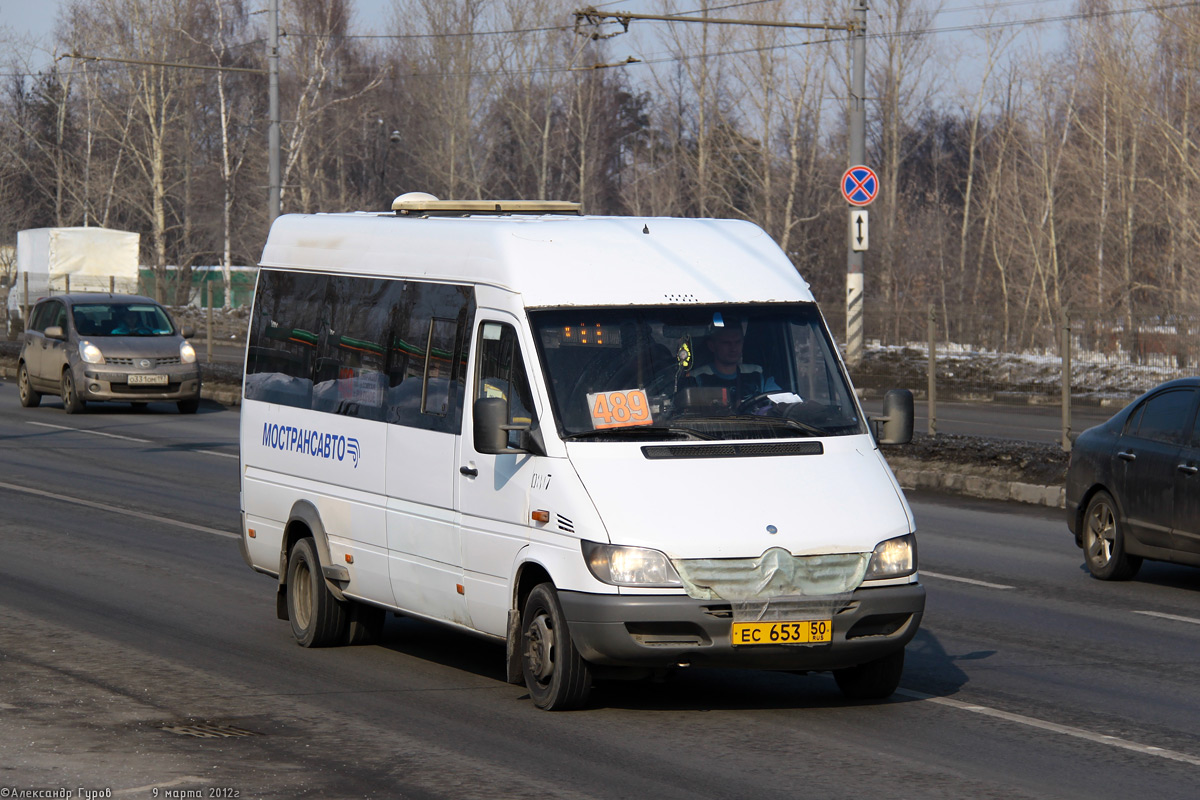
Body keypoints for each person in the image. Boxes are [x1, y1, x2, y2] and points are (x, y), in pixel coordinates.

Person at [689, 325, 780, 407]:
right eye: (726, 343)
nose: (733, 348)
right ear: (712, 346)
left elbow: (781, 401)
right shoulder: (696, 378)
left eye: (737, 342)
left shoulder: (758, 373)